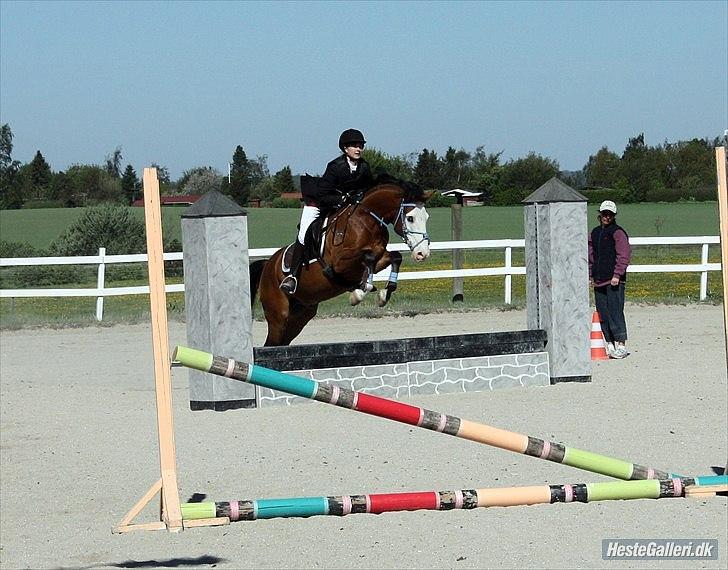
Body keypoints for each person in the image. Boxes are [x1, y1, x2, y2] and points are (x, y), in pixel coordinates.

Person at [280, 128, 373, 294]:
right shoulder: (335, 167)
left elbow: (367, 190)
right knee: (304, 233)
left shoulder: (364, 167)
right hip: (318, 202)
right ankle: (292, 276)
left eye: (360, 146)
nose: (358, 149)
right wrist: (344, 200)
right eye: (354, 146)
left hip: (342, 206)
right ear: (345, 149)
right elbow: (323, 195)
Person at [588, 200, 631, 359]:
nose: (606, 217)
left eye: (610, 215)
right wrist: (591, 274)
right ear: (600, 214)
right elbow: (591, 256)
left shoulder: (618, 233)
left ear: (613, 216)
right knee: (603, 313)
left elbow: (624, 254)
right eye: (604, 214)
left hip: (614, 280)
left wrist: (617, 274)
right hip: (599, 279)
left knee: (615, 311)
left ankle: (621, 343)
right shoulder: (594, 233)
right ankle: (609, 343)